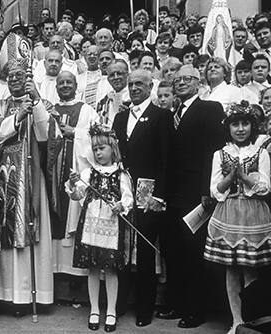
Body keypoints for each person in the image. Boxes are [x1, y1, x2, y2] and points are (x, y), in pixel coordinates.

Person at [0, 59, 55, 309]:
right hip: (2, 176)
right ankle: (3, 294)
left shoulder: (40, 102)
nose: (14, 80)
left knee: (30, 225)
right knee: (2, 228)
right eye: (10, 76)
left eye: (19, 76)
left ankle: (30, 295)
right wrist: (17, 117)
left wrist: (35, 104)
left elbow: (47, 134)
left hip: (31, 174)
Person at [205, 101, 271, 334]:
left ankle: (251, 318)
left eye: (245, 123)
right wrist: (231, 177)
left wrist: (245, 178)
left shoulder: (261, 153)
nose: (240, 129)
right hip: (228, 212)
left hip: (253, 212)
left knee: (250, 267)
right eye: (235, 124)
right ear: (228, 128)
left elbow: (265, 187)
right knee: (231, 268)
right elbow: (215, 190)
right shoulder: (220, 154)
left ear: (252, 126)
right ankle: (236, 319)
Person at [163, 65, 225, 328]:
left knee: (194, 253)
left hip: (196, 195)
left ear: (198, 82)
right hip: (172, 195)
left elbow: (213, 152)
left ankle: (195, 309)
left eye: (187, 79)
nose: (181, 83)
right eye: (177, 80)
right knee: (173, 251)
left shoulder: (209, 109)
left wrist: (206, 191)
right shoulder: (170, 113)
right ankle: (176, 303)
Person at [113, 69, 173, 327]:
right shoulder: (120, 117)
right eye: (131, 84)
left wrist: (158, 196)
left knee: (145, 251)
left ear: (150, 87)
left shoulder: (161, 116)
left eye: (140, 84)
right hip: (123, 192)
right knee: (121, 248)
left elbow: (166, 159)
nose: (134, 88)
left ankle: (144, 308)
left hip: (149, 194)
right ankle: (120, 301)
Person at [67, 123, 134, 332]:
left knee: (111, 270)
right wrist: (72, 184)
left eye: (102, 148)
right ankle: (94, 309)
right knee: (93, 268)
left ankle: (111, 311)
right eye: (95, 149)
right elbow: (77, 195)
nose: (98, 152)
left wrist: (120, 205)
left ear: (112, 148)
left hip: (111, 228)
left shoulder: (121, 174)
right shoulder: (88, 173)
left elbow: (128, 199)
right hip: (91, 227)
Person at [50, 71, 98, 276]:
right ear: (56, 86)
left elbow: (98, 136)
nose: (65, 85)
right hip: (53, 170)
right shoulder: (50, 109)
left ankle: (75, 273)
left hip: (77, 170)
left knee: (74, 215)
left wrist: (75, 133)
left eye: (69, 82)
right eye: (61, 83)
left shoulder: (87, 110)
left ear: (76, 85)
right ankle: (54, 268)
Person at [96, 59, 129, 127]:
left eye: (119, 73)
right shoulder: (105, 100)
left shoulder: (136, 96)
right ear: (108, 79)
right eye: (112, 75)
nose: (116, 77)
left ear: (127, 75)